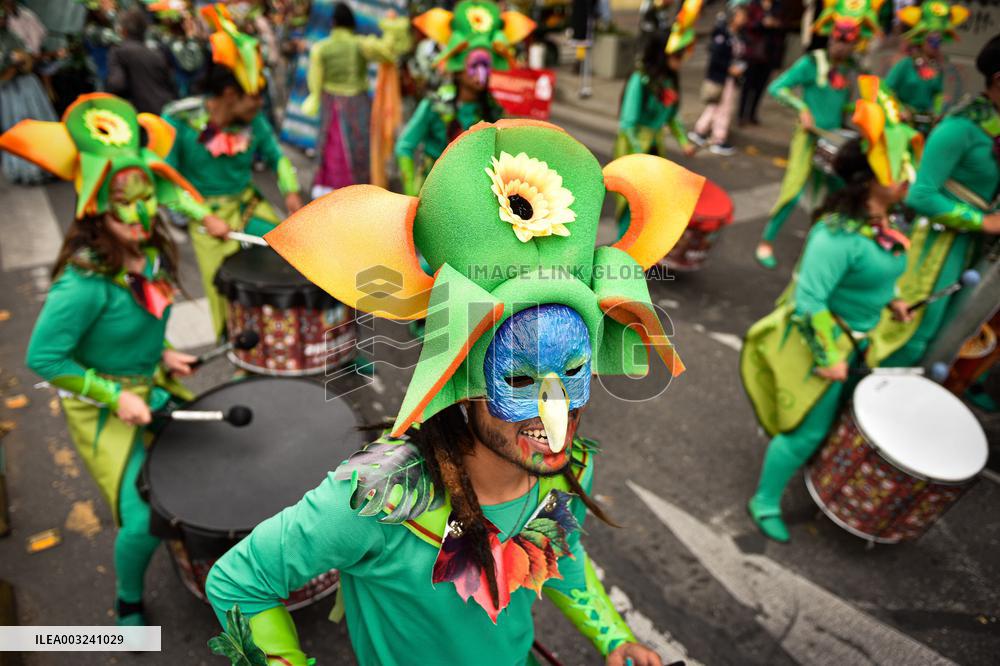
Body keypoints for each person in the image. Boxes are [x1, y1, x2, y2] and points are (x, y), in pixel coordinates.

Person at [204, 118, 704, 666]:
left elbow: (560, 549)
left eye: (575, 370)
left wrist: (613, 638)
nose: (556, 416)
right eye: (519, 379)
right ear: (461, 386)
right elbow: (238, 583)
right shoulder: (376, 499)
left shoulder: (569, 468)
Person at [0, 93, 203, 624]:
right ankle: (127, 601)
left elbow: (138, 321)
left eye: (146, 196)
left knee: (194, 466)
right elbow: (44, 359)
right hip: (102, 408)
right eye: (122, 202)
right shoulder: (82, 284)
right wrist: (116, 397)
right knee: (143, 518)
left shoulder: (149, 254)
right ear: (95, 206)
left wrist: (164, 353)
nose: (140, 213)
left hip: (147, 386)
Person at [741, 77, 920, 542]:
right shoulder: (835, 236)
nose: (909, 174)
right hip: (826, 346)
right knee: (804, 431)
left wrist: (894, 299)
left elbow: (879, 271)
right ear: (873, 179)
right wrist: (829, 357)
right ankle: (764, 500)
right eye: (900, 166)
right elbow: (809, 302)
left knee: (834, 424)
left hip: (861, 341)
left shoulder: (883, 221)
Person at [162, 3, 303, 337]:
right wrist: (203, 216)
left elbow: (277, 158)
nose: (260, 104)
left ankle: (287, 337)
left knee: (292, 255)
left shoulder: (254, 120)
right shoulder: (179, 121)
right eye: (253, 96)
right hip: (208, 218)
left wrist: (291, 192)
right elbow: (165, 183)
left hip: (248, 206)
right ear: (229, 94)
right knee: (222, 293)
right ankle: (236, 348)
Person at [871, 35, 1000, 370]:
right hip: (937, 246)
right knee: (913, 334)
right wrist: (981, 221)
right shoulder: (959, 128)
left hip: (975, 251)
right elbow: (921, 194)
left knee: (950, 339)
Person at [752, 0, 879, 269]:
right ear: (830, 36)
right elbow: (778, 87)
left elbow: (844, 103)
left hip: (833, 140)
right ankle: (766, 241)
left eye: (848, 41)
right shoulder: (811, 62)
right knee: (794, 188)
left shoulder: (851, 69)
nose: (841, 45)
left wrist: (860, 114)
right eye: (838, 38)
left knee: (836, 191)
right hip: (807, 138)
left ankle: (817, 243)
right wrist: (802, 108)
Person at [394, 0, 534, 196]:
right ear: (458, 70)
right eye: (475, 65)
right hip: (434, 195)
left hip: (473, 196)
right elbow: (404, 147)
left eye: (486, 65)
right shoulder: (434, 105)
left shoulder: (493, 110)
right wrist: (411, 194)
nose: (481, 73)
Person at [303, 3, 409, 197]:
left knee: (330, 144)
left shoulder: (321, 48)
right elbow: (388, 51)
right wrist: (391, 26)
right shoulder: (360, 44)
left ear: (333, 23)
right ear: (352, 23)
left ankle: (327, 189)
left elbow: (315, 80)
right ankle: (356, 192)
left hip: (331, 103)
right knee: (359, 147)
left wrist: (315, 98)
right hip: (358, 104)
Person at [615, 0, 701, 238]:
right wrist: (639, 159)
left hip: (654, 149)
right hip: (632, 150)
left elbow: (671, 116)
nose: (682, 61)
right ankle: (623, 249)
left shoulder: (670, 80)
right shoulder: (640, 79)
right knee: (630, 206)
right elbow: (627, 124)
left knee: (648, 205)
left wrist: (684, 142)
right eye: (679, 55)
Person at [884, 1, 968, 136]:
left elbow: (938, 95)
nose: (935, 45)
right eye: (931, 40)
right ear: (921, 38)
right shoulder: (905, 64)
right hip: (902, 126)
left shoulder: (938, 68)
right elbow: (885, 90)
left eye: (938, 41)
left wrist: (938, 113)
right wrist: (899, 109)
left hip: (925, 127)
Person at [0, 0, 57, 184]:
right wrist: (8, 62)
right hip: (8, 90)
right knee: (17, 128)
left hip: (26, 85)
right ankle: (26, 170)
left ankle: (49, 164)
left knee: (37, 122)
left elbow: (28, 53)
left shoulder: (12, 34)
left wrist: (22, 60)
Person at [688, 2, 748, 156]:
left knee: (715, 106)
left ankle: (700, 131)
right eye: (741, 15)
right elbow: (716, 57)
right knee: (723, 109)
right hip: (721, 77)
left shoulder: (738, 35)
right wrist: (729, 68)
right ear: (732, 16)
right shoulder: (722, 34)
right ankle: (718, 139)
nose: (744, 19)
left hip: (729, 78)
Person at [107, 7, 177, 114]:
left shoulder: (119, 52)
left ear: (123, 31)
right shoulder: (157, 53)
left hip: (141, 115)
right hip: (165, 113)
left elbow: (117, 84)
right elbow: (171, 84)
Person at [738, 0, 783, 126]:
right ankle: (741, 114)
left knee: (760, 86)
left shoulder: (777, 6)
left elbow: (783, 26)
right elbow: (746, 25)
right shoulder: (754, 5)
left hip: (769, 54)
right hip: (753, 53)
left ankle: (752, 114)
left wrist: (776, 24)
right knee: (747, 85)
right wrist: (761, 24)